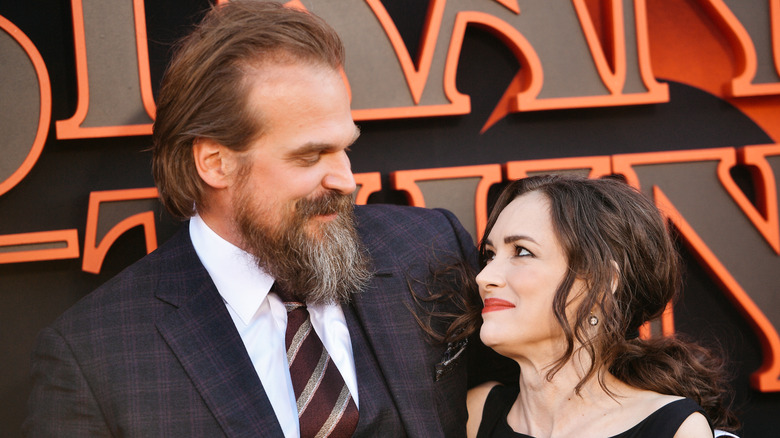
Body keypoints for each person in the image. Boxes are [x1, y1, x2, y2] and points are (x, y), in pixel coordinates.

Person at [23, 2, 495, 436]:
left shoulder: (428, 248)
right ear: (215, 163)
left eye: (345, 148)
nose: (346, 180)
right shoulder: (94, 357)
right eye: (311, 156)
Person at [463, 174, 739, 438]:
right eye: (489, 255)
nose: (484, 277)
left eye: (522, 251)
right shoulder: (475, 415)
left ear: (602, 282)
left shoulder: (673, 429)